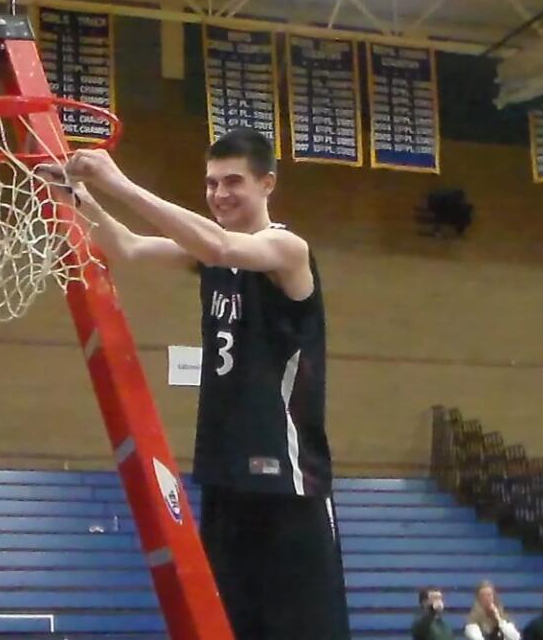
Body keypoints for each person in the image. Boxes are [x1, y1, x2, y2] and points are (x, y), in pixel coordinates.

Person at [49, 128, 349, 640]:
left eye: (233, 181)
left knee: (305, 627)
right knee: (228, 623)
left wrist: (119, 182)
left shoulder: (285, 248)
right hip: (224, 470)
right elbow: (127, 246)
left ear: (267, 184)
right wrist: (77, 198)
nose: (219, 194)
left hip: (287, 478)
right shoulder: (211, 257)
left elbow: (220, 243)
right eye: (211, 184)